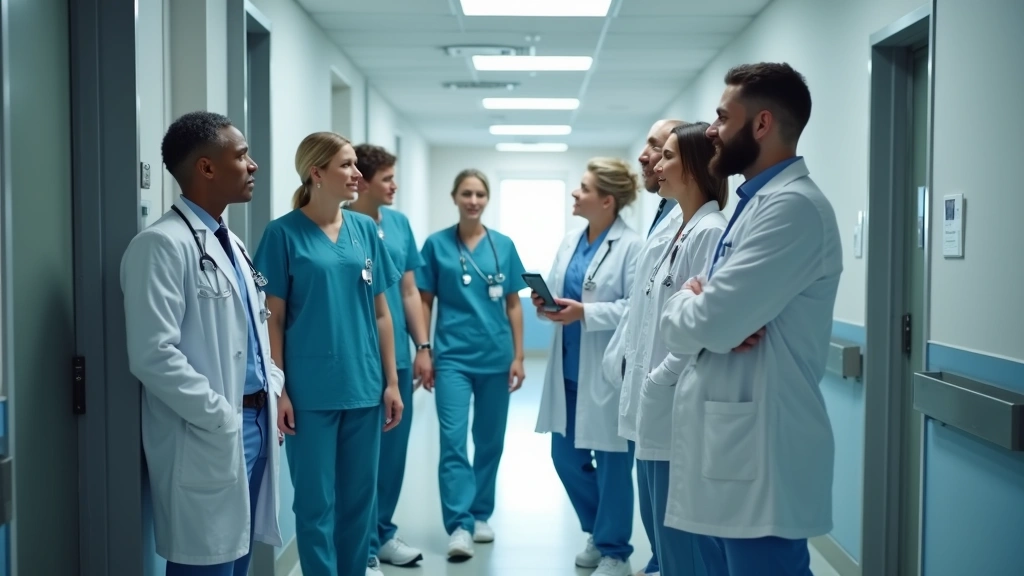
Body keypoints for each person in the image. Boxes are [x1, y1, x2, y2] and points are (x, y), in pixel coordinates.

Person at [658, 62, 842, 576]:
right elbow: (709, 317)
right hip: (732, 448)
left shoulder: (793, 209)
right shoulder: (754, 204)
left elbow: (713, 322)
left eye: (721, 117)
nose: (710, 130)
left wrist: (692, 309)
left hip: (762, 455)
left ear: (760, 124)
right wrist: (695, 308)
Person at [121, 111, 283, 575]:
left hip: (254, 422)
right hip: (211, 429)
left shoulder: (231, 242)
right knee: (207, 563)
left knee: (237, 558)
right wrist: (220, 414)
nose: (252, 165)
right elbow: (153, 355)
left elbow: (252, 332)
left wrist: (271, 383)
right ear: (207, 168)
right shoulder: (161, 246)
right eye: (242, 155)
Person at [254, 131, 403, 576]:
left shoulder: (363, 230)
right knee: (316, 505)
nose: (358, 174)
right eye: (346, 165)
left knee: (360, 502)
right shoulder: (282, 234)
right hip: (309, 392)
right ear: (316, 173)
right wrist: (279, 390)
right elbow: (272, 319)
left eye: (356, 164)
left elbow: (381, 313)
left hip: (364, 386)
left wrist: (392, 381)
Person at [533, 158, 644, 576]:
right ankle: (599, 531)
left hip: (609, 373)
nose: (575, 194)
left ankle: (616, 551)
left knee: (615, 465)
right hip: (568, 371)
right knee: (565, 458)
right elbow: (561, 286)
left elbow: (637, 308)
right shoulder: (570, 241)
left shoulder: (632, 246)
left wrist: (586, 313)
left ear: (607, 200)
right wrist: (550, 308)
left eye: (583, 188)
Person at [626, 122, 728, 576]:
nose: (655, 163)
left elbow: (702, 327)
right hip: (657, 408)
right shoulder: (677, 231)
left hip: (678, 408)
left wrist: (658, 377)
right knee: (659, 534)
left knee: (684, 549)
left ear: (693, 165)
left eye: (666, 155)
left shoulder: (709, 231)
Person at [416, 169, 527, 561]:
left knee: (490, 441)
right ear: (454, 196)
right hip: (452, 360)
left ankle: (481, 514)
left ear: (487, 199)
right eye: (466, 193)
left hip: (496, 359)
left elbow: (513, 303)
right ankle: (459, 525)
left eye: (480, 194)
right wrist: (424, 349)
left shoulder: (503, 245)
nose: (473, 200)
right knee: (452, 441)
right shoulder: (436, 245)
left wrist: (518, 355)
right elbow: (424, 301)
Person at [600, 118, 682, 576]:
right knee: (656, 518)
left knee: (674, 526)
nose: (647, 156)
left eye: (659, 147)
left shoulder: (699, 227)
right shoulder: (665, 220)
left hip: (666, 392)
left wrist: (655, 378)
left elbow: (696, 318)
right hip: (646, 390)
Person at [345, 143, 431, 571]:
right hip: (358, 359)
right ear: (361, 181)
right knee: (361, 461)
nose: (395, 185)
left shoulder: (397, 225)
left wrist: (423, 346)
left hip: (396, 356)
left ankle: (382, 534)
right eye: (387, 179)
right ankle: (360, 547)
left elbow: (409, 290)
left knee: (393, 456)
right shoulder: (342, 225)